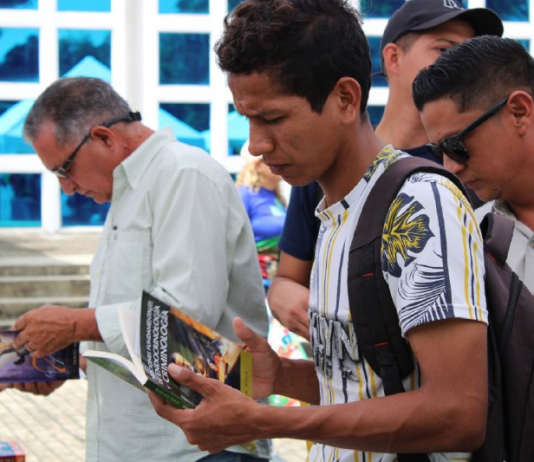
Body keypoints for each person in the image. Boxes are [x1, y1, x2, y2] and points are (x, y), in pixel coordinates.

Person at [148, 1, 488, 460]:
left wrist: (268, 421)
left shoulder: (417, 203)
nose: (255, 144)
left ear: (345, 99)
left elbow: (458, 412)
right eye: (247, 118)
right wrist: (281, 376)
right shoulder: (330, 207)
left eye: (273, 118)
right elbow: (372, 386)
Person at [1, 77, 271, 462]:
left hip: (195, 449)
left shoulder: (183, 173)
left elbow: (188, 315)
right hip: (146, 446)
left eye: (64, 169)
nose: (67, 188)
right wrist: (67, 360)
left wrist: (75, 324)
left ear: (103, 138)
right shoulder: (130, 191)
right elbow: (142, 331)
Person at [267, 0, 503, 339]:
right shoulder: (329, 159)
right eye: (445, 49)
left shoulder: (479, 165)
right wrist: (285, 297)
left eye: (472, 54)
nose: (463, 67)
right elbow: (288, 277)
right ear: (393, 58)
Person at [413, 34, 534, 294]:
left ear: (519, 111)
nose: (450, 167)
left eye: (455, 145)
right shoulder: (466, 240)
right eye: (438, 150)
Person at [236, 141, 287, 283]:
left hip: (274, 280)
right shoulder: (245, 195)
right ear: (258, 165)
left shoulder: (277, 199)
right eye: (274, 157)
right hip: (253, 282)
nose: (282, 160)